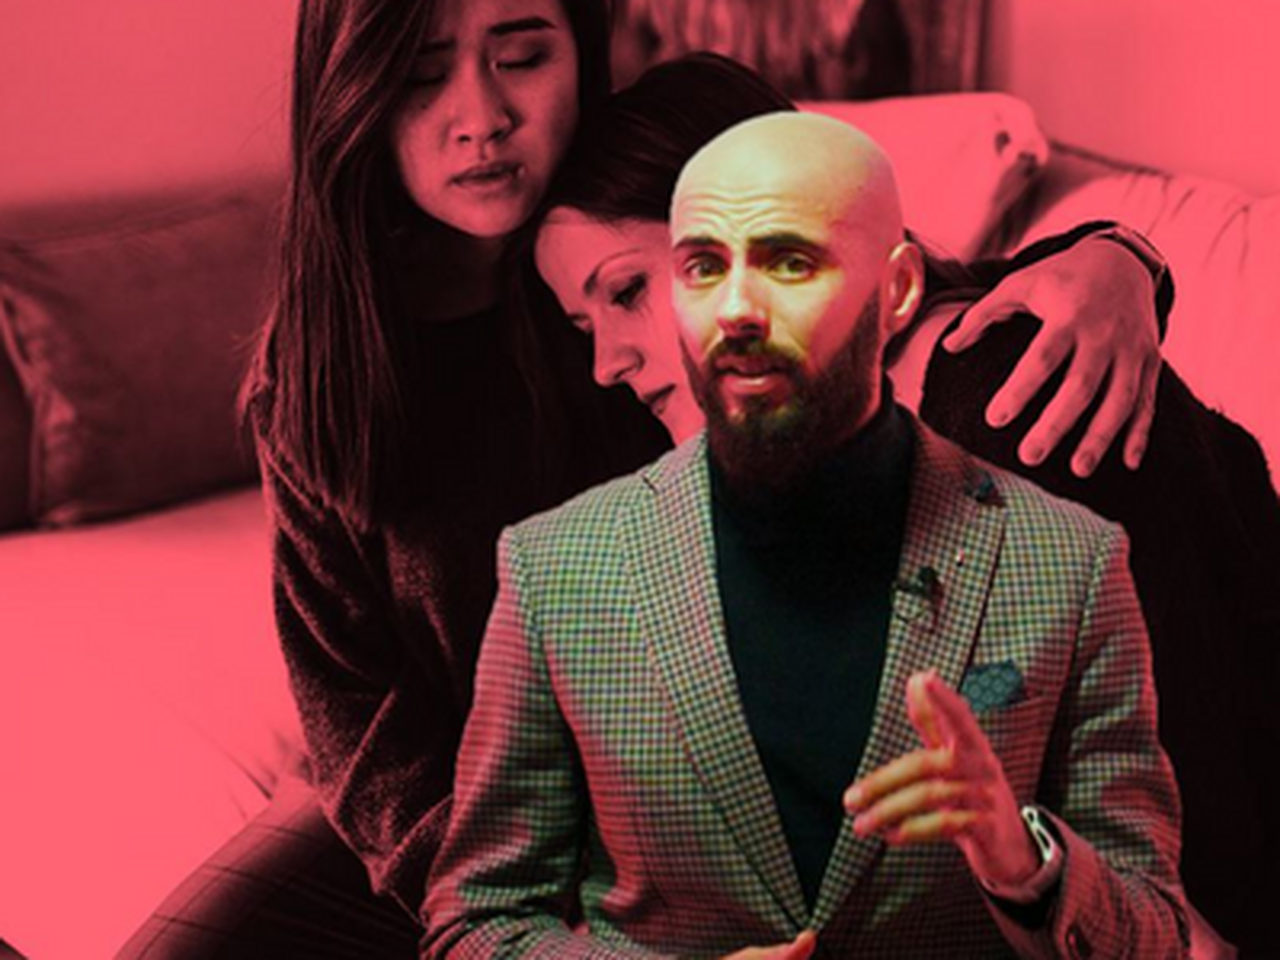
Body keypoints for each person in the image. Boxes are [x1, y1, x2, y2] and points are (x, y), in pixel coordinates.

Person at [118, 7, 1190, 957]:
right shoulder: (322, 372)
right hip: (455, 828)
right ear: (352, 93)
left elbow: (858, 288)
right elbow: (358, 723)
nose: (480, 118)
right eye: (421, 73)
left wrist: (1117, 256)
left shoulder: (627, 227)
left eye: (522, 56)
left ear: (581, 57)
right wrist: (537, 915)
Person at [531, 54, 1280, 954]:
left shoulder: (1007, 401)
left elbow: (1184, 810)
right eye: (586, 325)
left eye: (627, 292)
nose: (606, 362)